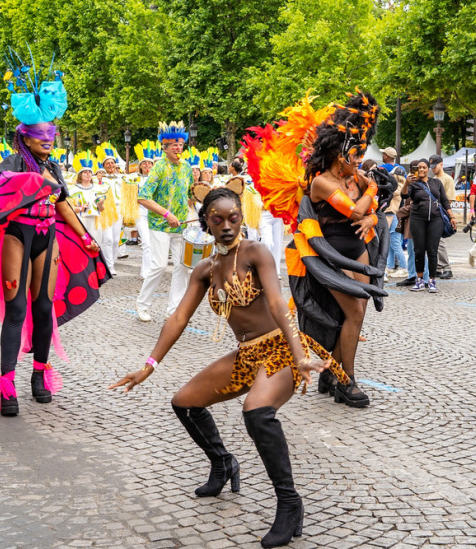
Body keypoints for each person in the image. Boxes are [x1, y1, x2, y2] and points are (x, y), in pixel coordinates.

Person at [111, 188, 343, 548]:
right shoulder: (205, 269)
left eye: (233, 218)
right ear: (205, 222)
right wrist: (149, 365)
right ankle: (223, 463)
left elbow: (281, 305)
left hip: (281, 351)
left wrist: (299, 354)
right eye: (217, 219)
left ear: (242, 217)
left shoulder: (256, 253)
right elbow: (178, 318)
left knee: (257, 413)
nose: (227, 226)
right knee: (185, 402)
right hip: (245, 355)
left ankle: (289, 503)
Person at [0, 51, 110, 416]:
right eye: (41, 135)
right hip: (17, 236)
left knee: (44, 308)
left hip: (49, 238)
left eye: (52, 134)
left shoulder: (54, 166)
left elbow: (62, 202)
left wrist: (85, 237)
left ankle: (40, 373)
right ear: (26, 137)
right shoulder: (11, 164)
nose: (48, 139)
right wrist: (40, 180)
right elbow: (9, 193)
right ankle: (6, 385)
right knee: (16, 310)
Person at [245, 90, 393, 409]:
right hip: (329, 255)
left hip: (359, 252)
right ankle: (346, 380)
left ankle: (330, 373)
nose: (358, 159)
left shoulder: (358, 177)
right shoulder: (321, 183)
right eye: (354, 154)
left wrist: (372, 216)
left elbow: (371, 208)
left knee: (354, 315)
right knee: (352, 312)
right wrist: (371, 195)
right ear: (339, 154)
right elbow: (354, 210)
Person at [135, 121, 192, 322]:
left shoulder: (186, 167)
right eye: (173, 145)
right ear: (164, 148)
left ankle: (174, 309)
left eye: (180, 144)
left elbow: (190, 194)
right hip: (160, 225)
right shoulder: (158, 168)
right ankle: (142, 305)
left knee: (183, 266)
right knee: (159, 266)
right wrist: (167, 214)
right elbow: (143, 197)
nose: (178, 148)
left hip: (182, 226)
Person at [405, 158, 456, 292]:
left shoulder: (436, 182)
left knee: (433, 251)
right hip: (418, 219)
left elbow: (444, 201)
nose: (421, 169)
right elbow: (404, 195)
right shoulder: (413, 184)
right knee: (419, 250)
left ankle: (432, 281)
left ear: (428, 169)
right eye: (418, 167)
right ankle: (419, 280)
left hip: (436, 219)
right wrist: (406, 183)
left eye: (424, 167)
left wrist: (451, 216)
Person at [96, 143, 124, 276]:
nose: (111, 165)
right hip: (106, 210)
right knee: (106, 238)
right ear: (104, 166)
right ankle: (109, 265)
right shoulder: (100, 180)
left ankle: (111, 262)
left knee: (114, 239)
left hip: (118, 209)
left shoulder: (122, 178)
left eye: (112, 163)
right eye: (108, 163)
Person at [133, 140, 159, 280]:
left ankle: (153, 269)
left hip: (155, 214)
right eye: (144, 163)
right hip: (141, 213)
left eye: (150, 163)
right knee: (146, 243)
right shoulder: (134, 179)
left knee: (155, 243)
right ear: (140, 165)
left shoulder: (157, 179)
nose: (147, 165)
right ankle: (146, 271)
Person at [429, 154, 456, 279]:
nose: (433, 168)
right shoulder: (434, 178)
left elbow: (448, 200)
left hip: (441, 213)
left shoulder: (447, 179)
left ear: (441, 164)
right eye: (432, 167)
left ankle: (446, 267)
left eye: (435, 166)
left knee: (439, 241)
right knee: (434, 241)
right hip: (434, 213)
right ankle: (439, 267)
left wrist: (448, 215)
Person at [386, 166, 408, 279]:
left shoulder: (397, 188)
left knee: (395, 243)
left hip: (394, 216)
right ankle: (389, 267)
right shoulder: (401, 187)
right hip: (396, 216)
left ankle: (404, 268)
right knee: (391, 244)